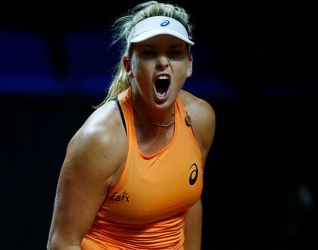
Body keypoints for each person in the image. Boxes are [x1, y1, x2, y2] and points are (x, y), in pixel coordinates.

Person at [46, 1, 216, 249]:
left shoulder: (200, 118)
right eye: (149, 53)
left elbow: (189, 202)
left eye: (174, 53)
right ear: (129, 66)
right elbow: (62, 243)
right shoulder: (100, 139)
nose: (162, 62)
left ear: (189, 65)